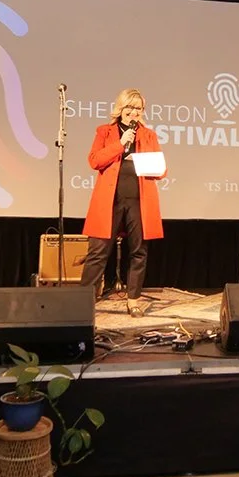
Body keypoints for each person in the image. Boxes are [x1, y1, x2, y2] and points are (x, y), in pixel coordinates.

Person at [79, 88, 165, 315]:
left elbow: (162, 170)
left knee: (139, 251)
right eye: (129, 107)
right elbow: (94, 160)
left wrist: (153, 166)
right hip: (110, 199)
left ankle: (133, 300)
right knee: (98, 252)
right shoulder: (105, 132)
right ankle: (83, 301)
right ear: (120, 108)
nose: (134, 112)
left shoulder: (149, 135)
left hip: (139, 199)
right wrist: (120, 144)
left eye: (138, 108)